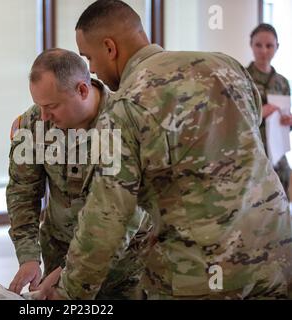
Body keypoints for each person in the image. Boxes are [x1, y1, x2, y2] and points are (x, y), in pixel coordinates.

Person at [45, 0, 292, 300]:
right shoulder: (226, 66)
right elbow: (250, 136)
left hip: (199, 274)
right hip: (275, 257)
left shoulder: (126, 106)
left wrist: (69, 292)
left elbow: (108, 215)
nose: (92, 70)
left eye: (89, 58)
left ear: (110, 48)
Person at [6, 48, 150, 299]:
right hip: (58, 252)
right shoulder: (33, 124)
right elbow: (22, 192)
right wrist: (29, 257)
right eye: (39, 105)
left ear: (82, 90)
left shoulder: (127, 122)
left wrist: (70, 273)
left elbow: (124, 218)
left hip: (125, 268)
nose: (44, 116)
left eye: (52, 106)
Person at [247, 23, 292, 198]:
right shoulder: (242, 78)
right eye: (258, 45)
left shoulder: (282, 83)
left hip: (277, 158)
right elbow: (233, 121)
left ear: (277, 47)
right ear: (251, 45)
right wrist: (259, 113)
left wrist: (289, 122)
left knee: (280, 212)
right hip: (251, 158)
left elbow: (286, 125)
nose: (264, 51)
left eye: (269, 45)